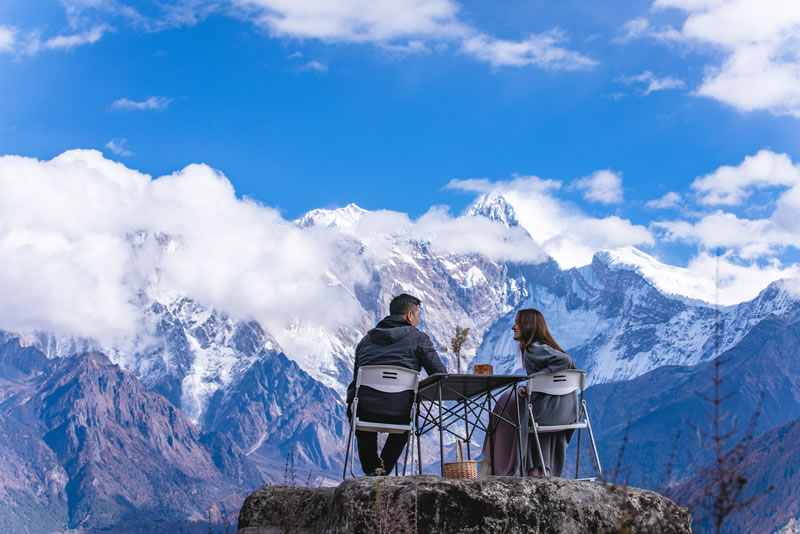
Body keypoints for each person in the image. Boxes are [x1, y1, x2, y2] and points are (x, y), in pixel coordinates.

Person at [346, 293, 447, 475]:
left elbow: (357, 380)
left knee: (360, 414)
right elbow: (440, 374)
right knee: (407, 418)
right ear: (410, 315)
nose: (418, 320)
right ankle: (381, 471)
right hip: (400, 412)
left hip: (365, 410)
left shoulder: (365, 341)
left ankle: (372, 470)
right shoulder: (419, 339)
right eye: (418, 316)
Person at [481, 308, 578, 477]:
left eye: (517, 322)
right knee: (510, 401)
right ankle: (536, 469)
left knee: (504, 405)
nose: (513, 327)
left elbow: (565, 360)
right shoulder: (541, 348)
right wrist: (532, 385)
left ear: (527, 325)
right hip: (568, 413)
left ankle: (492, 464)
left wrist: (535, 380)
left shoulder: (534, 348)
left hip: (546, 414)